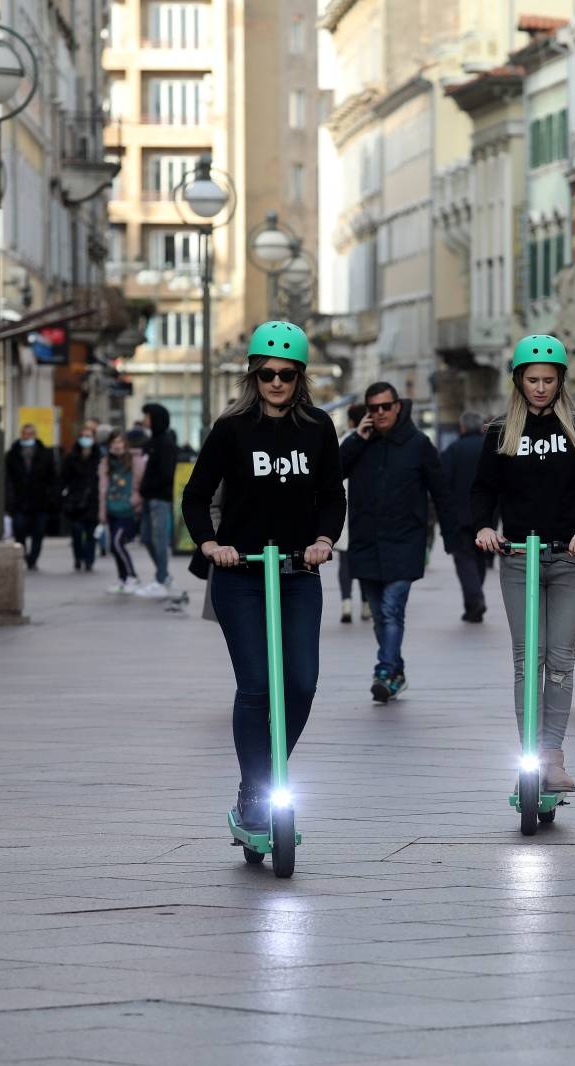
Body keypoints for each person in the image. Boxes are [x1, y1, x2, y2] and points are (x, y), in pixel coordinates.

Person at [182, 321, 344, 833]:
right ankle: (255, 790)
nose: (277, 383)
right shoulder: (231, 430)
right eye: (267, 374)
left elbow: (332, 496)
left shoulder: (318, 427)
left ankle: (267, 775)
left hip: (298, 573)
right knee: (256, 686)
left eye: (287, 375)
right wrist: (211, 544)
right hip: (241, 575)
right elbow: (194, 494)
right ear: (254, 376)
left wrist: (323, 540)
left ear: (300, 378)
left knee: (301, 682)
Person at [471, 335, 575, 793]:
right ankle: (528, 756)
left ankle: (553, 755)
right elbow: (483, 491)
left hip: (570, 558)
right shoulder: (500, 433)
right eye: (533, 380)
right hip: (518, 560)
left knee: (562, 659)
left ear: (561, 380)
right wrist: (484, 527)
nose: (541, 388)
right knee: (529, 660)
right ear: (518, 381)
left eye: (549, 380)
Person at [339, 381, 453, 703]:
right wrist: (355, 441)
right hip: (367, 542)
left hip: (405, 542)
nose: (379, 414)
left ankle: (385, 671)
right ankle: (397, 672)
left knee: (391, 611)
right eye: (372, 408)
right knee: (378, 615)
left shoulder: (418, 444)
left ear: (398, 406)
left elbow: (441, 491)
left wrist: (453, 536)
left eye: (385, 407)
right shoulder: (361, 443)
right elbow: (331, 472)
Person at [442, 410, 492, 623]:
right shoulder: (489, 449)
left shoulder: (453, 450)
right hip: (486, 516)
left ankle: (474, 600)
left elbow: (443, 483)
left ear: (462, 428)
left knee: (464, 560)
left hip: (460, 516)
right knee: (479, 558)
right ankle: (474, 599)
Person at [137, 402, 178, 597]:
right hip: (147, 499)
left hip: (159, 499)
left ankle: (161, 579)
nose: (145, 420)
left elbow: (166, 473)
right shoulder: (150, 442)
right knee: (146, 538)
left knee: (159, 539)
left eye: (148, 416)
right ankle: (163, 575)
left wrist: (150, 487)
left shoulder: (165, 442)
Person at [5, 422, 58, 571]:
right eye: (24, 434)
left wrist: (51, 496)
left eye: (30, 434)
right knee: (19, 528)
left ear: (35, 435)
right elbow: (8, 478)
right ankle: (23, 554)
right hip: (19, 500)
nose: (26, 437)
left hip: (40, 500)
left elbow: (52, 476)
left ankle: (33, 558)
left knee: (39, 531)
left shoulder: (45, 453)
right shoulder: (12, 454)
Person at [99, 429, 146, 594]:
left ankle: (132, 576)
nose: (116, 446)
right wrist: (102, 511)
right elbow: (103, 488)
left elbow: (142, 484)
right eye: (113, 443)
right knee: (114, 546)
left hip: (128, 510)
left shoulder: (135, 461)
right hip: (111, 509)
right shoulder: (106, 462)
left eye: (119, 442)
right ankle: (123, 578)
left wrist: (135, 501)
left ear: (125, 444)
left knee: (117, 543)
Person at [335, 402, 366, 624]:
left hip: (343, 512)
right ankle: (366, 604)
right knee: (365, 560)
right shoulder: (371, 443)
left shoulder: (341, 442)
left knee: (345, 562)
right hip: (362, 512)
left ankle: (346, 602)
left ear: (351, 421)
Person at [62, 429, 102, 573]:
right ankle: (78, 558)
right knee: (77, 531)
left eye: (88, 436)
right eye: (83, 436)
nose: (86, 439)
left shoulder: (99, 457)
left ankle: (89, 560)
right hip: (75, 501)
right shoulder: (71, 457)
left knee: (91, 533)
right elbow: (63, 478)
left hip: (93, 500)